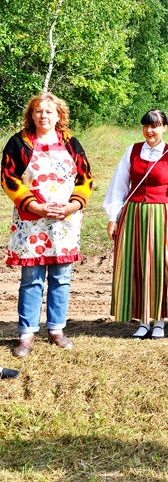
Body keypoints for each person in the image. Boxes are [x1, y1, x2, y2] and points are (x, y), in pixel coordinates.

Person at [2, 92, 93, 357]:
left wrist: (73, 204)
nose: (44, 116)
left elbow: (85, 178)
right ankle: (26, 333)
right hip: (32, 221)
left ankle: (56, 329)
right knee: (31, 279)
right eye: (39, 111)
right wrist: (34, 205)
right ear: (32, 114)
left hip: (64, 222)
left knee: (61, 277)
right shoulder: (19, 143)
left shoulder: (71, 143)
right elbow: (8, 178)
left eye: (49, 111)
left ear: (58, 115)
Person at [104, 110, 168, 339]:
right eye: (146, 126)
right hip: (133, 215)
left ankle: (159, 321)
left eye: (155, 126)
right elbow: (119, 185)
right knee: (138, 265)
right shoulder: (132, 151)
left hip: (162, 215)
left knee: (160, 266)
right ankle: (143, 321)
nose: (149, 131)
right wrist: (113, 218)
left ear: (165, 128)